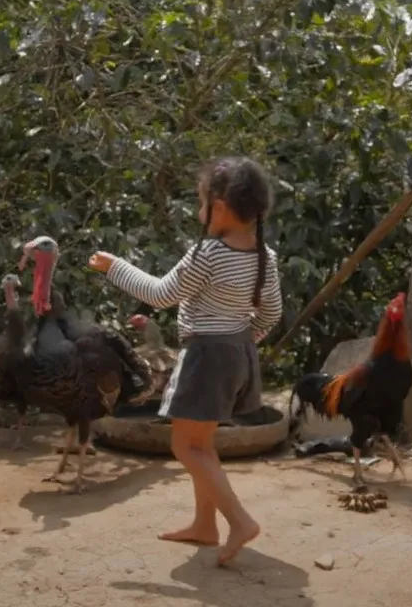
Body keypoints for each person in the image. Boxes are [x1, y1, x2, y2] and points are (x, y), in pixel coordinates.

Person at [89, 156, 282, 566]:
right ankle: (204, 526)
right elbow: (271, 313)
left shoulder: (209, 254)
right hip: (236, 351)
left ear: (220, 207)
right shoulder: (265, 255)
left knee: (185, 445)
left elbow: (160, 294)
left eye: (200, 203)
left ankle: (240, 521)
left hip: (207, 355)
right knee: (202, 442)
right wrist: (247, 340)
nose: (198, 213)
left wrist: (115, 268)